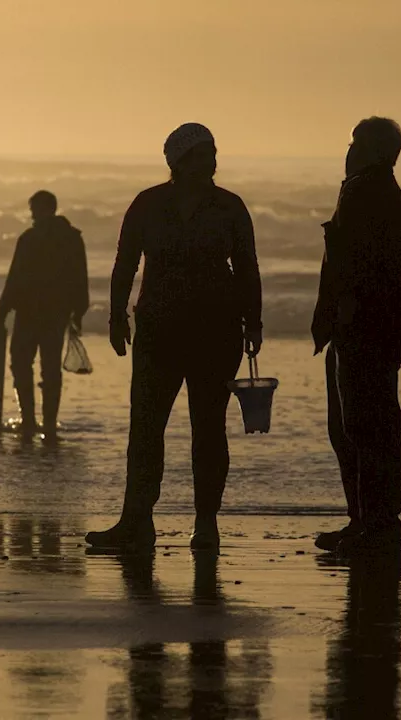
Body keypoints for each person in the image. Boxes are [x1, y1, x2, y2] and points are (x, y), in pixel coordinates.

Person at [86, 123, 263, 553]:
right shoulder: (148, 204)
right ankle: (136, 522)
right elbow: (124, 263)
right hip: (158, 331)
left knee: (208, 430)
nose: (211, 163)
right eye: (201, 155)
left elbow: (247, 267)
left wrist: (253, 323)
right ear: (178, 163)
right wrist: (115, 317)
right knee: (146, 429)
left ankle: (206, 522)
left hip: (216, 333)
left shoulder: (229, 207)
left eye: (213, 154)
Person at [312, 118, 401, 555]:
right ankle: (370, 521)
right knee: (369, 423)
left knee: (359, 425)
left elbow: (348, 262)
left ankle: (372, 523)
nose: (347, 149)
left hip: (363, 327)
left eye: (355, 143)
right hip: (382, 326)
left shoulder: (362, 191)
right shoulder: (382, 191)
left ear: (373, 151)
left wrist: (340, 316)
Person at [0, 190, 90, 442]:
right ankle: (46, 424)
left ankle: (30, 420)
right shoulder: (71, 238)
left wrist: (4, 309)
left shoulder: (30, 239)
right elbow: (81, 278)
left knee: (22, 363)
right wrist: (78, 311)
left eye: (34, 210)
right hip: (54, 314)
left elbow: (15, 277)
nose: (32, 216)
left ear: (46, 209)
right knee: (48, 368)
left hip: (32, 313)